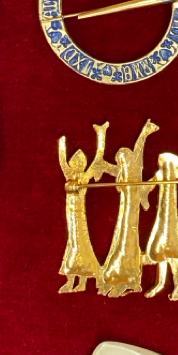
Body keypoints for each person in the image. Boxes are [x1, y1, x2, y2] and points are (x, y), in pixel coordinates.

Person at [99, 121, 159, 298]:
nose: (123, 160)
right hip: (124, 215)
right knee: (122, 241)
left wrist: (145, 132)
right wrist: (101, 138)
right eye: (121, 158)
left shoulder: (135, 169)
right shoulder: (120, 172)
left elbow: (139, 148)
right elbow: (103, 165)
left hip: (132, 216)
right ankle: (122, 278)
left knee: (128, 242)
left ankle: (128, 277)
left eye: (125, 156)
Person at [57, 123, 110, 293]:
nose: (77, 163)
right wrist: (62, 145)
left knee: (81, 244)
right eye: (75, 161)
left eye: (80, 162)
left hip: (79, 217)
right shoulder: (70, 175)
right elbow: (62, 162)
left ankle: (82, 282)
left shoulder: (85, 177)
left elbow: (98, 158)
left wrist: (102, 135)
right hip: (71, 217)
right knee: (73, 244)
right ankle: (72, 281)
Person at [144, 153, 178, 301]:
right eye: (164, 162)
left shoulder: (177, 172)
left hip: (170, 217)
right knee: (161, 249)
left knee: (170, 247)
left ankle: (176, 281)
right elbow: (148, 186)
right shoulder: (160, 174)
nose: (167, 165)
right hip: (163, 216)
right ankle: (162, 283)